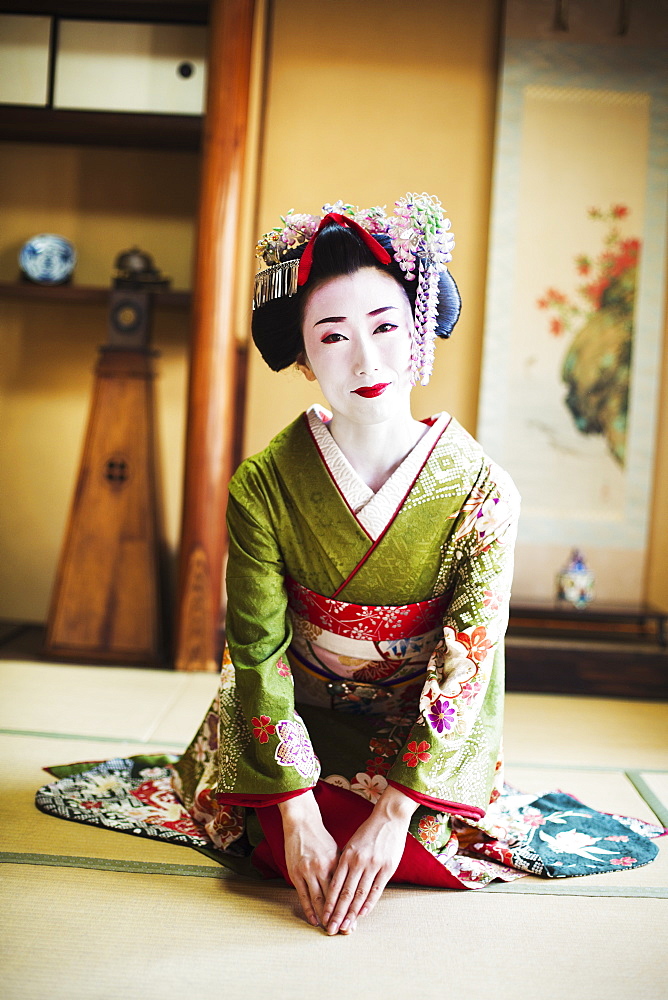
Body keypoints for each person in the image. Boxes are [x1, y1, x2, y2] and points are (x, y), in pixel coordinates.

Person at [35, 194, 663, 933]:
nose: (365, 360)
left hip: (416, 737)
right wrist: (295, 809)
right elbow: (258, 654)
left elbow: (469, 662)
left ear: (420, 330)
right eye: (332, 336)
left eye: (386, 327)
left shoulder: (483, 491)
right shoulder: (264, 483)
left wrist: (397, 810)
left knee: (418, 851)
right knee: (278, 839)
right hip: (297, 718)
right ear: (302, 357)